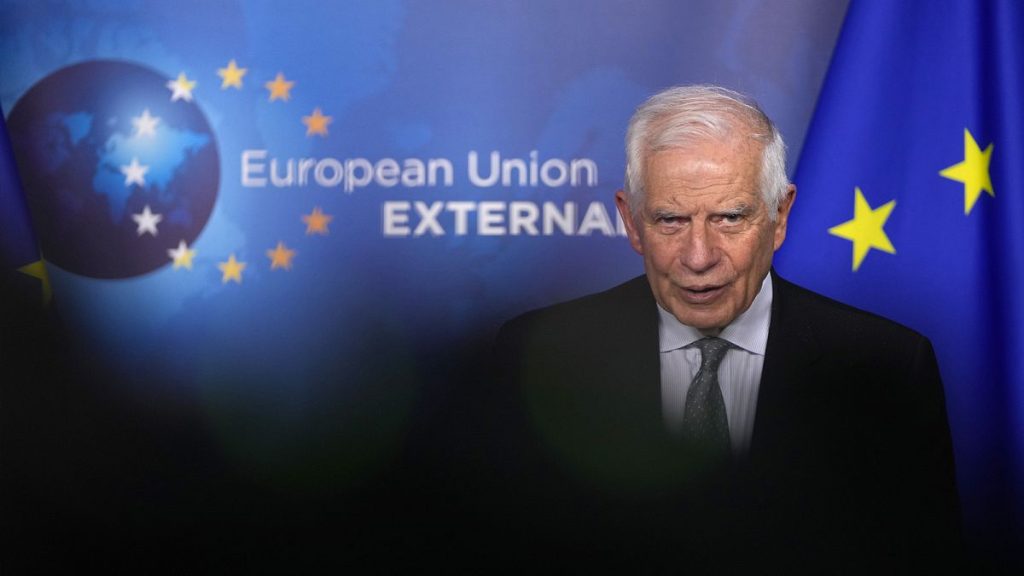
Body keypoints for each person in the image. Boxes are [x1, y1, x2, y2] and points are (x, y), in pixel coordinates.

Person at [486, 85, 962, 572]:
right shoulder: (540, 359)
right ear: (631, 222)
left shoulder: (886, 367)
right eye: (670, 220)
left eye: (731, 218)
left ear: (779, 216)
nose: (699, 257)